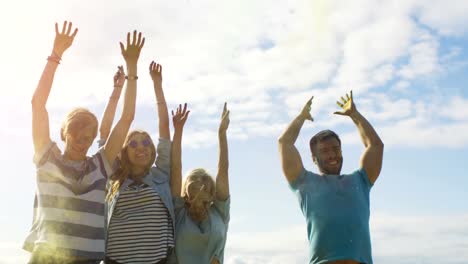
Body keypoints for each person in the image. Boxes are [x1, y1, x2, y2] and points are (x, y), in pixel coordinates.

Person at [24, 21, 143, 264]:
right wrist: (55, 54)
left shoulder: (99, 165)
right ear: (65, 132)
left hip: (86, 259)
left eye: (89, 136)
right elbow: (38, 104)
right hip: (46, 256)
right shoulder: (48, 157)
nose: (83, 140)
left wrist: (132, 67)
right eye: (77, 132)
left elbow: (126, 118)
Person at [278, 91, 384, 264]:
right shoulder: (305, 183)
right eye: (325, 151)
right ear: (314, 158)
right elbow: (284, 143)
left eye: (336, 149)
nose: (332, 155)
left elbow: (376, 146)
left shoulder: (361, 181)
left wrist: (355, 115)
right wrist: (301, 117)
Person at [104, 61, 177, 264]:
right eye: (133, 144)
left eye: (146, 142)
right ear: (125, 151)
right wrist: (117, 90)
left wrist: (157, 85)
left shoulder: (160, 176)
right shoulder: (115, 175)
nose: (141, 147)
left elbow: (164, 127)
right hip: (116, 260)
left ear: (152, 150)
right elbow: (106, 133)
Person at [171, 103, 230, 264]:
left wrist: (222, 134)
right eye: (193, 199)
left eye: (205, 201)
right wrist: (178, 131)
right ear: (186, 195)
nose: (199, 205)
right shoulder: (179, 212)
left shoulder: (220, 211)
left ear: (212, 196)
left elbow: (223, 171)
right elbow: (176, 168)